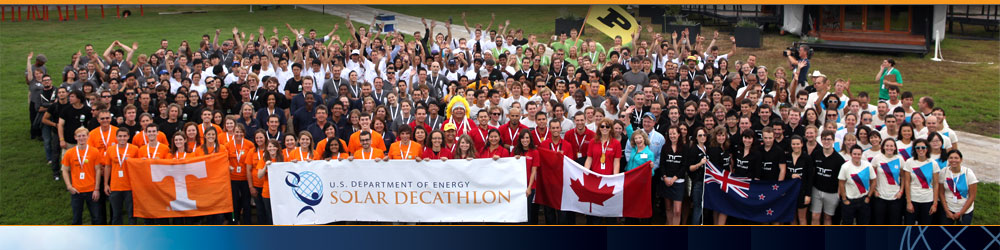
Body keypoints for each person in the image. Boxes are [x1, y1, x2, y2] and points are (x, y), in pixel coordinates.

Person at [61, 127, 105, 225]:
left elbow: (98, 170)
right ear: (75, 137)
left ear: (88, 137)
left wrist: (97, 189)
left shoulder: (94, 151)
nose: (81, 138)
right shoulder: (69, 153)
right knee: (77, 218)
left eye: (84, 136)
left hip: (91, 190)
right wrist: (69, 186)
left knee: (96, 218)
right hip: (76, 191)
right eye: (79, 136)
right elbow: (64, 170)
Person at [901, 139, 939, 225]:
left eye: (923, 147)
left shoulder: (933, 163)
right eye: (918, 147)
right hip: (913, 199)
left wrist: (935, 203)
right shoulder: (909, 162)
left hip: (928, 199)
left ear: (927, 148)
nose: (920, 149)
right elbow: (907, 182)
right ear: (914, 149)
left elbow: (936, 184)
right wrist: (909, 202)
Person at [105, 128, 138, 225]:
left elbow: (138, 167)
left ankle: (132, 234)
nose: (122, 138)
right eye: (120, 136)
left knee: (131, 214)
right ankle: (117, 235)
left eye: (124, 136)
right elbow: (107, 167)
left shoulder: (134, 149)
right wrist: (106, 184)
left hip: (130, 187)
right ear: (116, 137)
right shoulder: (110, 149)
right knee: (116, 214)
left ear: (128, 136)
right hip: (115, 186)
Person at [811, 130, 843, 225]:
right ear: (821, 140)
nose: (826, 141)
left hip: (832, 193)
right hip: (816, 190)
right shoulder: (816, 154)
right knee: (815, 216)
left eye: (829, 139)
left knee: (827, 217)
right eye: (824, 139)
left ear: (833, 141)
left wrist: (839, 194)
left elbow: (841, 180)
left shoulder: (839, 159)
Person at [838, 145, 877, 225]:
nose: (857, 156)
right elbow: (841, 183)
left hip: (864, 200)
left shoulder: (868, 165)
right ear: (851, 154)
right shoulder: (845, 167)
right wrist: (844, 199)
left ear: (861, 154)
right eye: (854, 154)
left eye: (859, 154)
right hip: (849, 200)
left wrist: (869, 196)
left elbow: (873, 180)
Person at [938, 150, 977, 225]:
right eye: (951, 158)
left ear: (961, 160)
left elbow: (972, 196)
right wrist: (947, 211)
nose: (953, 160)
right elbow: (941, 193)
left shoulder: (968, 173)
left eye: (956, 158)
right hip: (949, 208)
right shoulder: (944, 172)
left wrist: (961, 213)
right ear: (948, 159)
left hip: (965, 210)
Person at [870, 138, 905, 225]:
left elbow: (904, 177)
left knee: (895, 223)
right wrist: (874, 190)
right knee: (879, 222)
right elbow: (870, 176)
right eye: (887, 145)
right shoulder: (877, 158)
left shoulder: (900, 159)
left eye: (891, 146)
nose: (889, 148)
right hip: (880, 197)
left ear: (895, 148)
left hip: (895, 197)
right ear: (883, 147)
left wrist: (901, 191)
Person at [226, 124, 255, 224]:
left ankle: (247, 223)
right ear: (233, 133)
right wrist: (228, 166)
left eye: (240, 132)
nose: (238, 134)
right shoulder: (228, 145)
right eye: (236, 132)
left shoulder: (249, 144)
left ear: (244, 133)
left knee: (246, 203)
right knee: (234, 202)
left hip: (245, 178)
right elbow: (224, 160)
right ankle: (234, 221)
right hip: (232, 178)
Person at [658, 126, 687, 225]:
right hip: (666, 181)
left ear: (679, 134)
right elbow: (662, 164)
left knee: (677, 210)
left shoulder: (684, 148)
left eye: (674, 133)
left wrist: (674, 179)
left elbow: (684, 166)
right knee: (668, 207)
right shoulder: (665, 147)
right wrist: (665, 177)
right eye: (670, 134)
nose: (672, 136)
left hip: (678, 181)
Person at [512, 130, 540, 225]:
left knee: (528, 212)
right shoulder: (515, 151)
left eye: (527, 138)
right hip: (517, 187)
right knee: (518, 212)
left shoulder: (534, 152)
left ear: (530, 139)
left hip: (529, 187)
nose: (525, 140)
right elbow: (510, 168)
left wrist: (529, 188)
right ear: (519, 139)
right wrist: (514, 160)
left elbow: (533, 172)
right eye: (523, 138)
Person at [256, 140, 284, 225]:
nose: (272, 148)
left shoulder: (282, 158)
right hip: (267, 193)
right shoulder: (264, 159)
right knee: (269, 215)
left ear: (277, 148)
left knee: (280, 215)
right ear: (267, 148)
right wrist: (265, 166)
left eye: (274, 146)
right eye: (270, 146)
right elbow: (259, 175)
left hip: (280, 192)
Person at [686, 127, 710, 225]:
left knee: (704, 207)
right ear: (696, 137)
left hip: (706, 182)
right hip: (697, 182)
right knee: (697, 207)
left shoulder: (707, 148)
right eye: (700, 135)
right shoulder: (694, 150)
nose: (702, 137)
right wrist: (700, 164)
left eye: (704, 135)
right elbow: (689, 168)